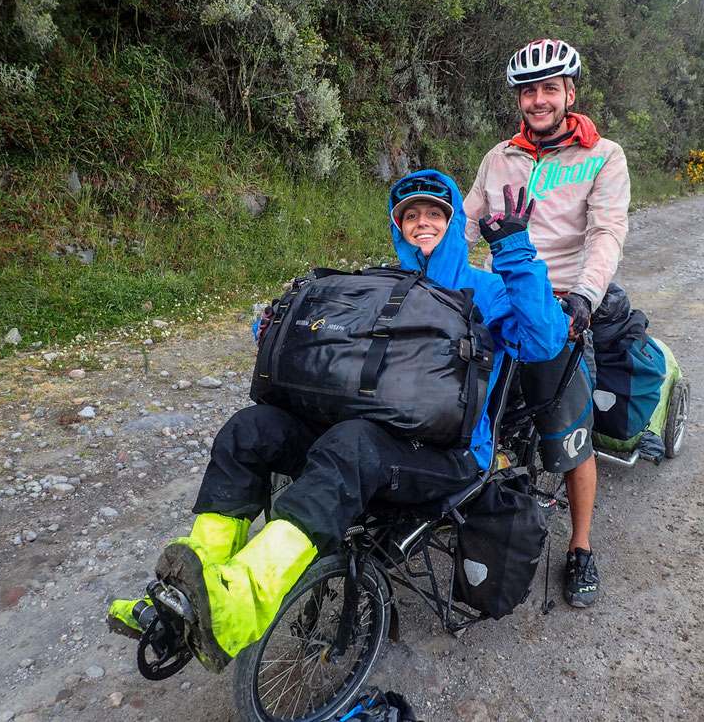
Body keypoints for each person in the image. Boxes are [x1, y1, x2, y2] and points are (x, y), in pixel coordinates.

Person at [107, 169, 569, 671]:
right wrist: (274, 327)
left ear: (453, 220)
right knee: (250, 429)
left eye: (434, 213)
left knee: (352, 443)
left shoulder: (487, 289)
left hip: (448, 456)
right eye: (409, 215)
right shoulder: (380, 286)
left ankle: (237, 605)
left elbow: (544, 340)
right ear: (398, 227)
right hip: (361, 434)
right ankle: (187, 595)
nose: (421, 223)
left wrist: (516, 252)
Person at [463, 39, 631, 608]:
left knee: (567, 433)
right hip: (503, 297)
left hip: (560, 303)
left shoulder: (603, 155)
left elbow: (606, 233)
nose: (537, 100)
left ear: (569, 94)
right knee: (460, 396)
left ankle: (580, 547)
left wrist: (584, 296)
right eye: (528, 91)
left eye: (548, 89)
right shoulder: (498, 157)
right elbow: (464, 227)